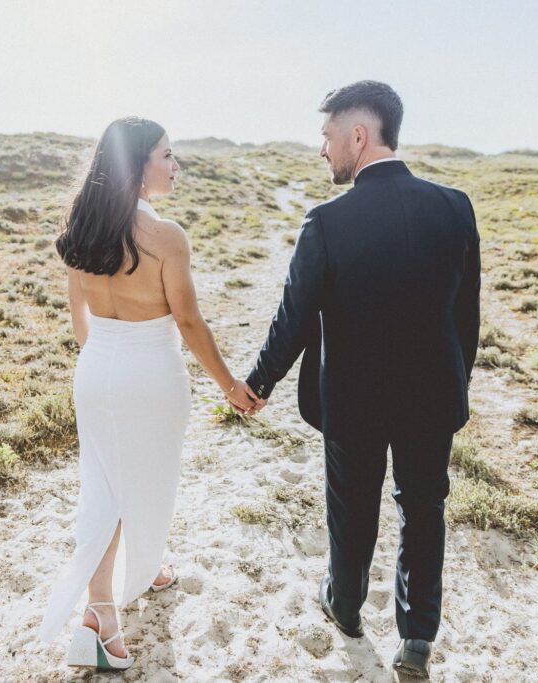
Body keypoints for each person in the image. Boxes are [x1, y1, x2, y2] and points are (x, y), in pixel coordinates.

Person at [244, 81, 480, 679]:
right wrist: (457, 384)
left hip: (352, 403)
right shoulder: (455, 207)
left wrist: (258, 382)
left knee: (352, 511)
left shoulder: (327, 221)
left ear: (358, 135)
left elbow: (293, 316)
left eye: (327, 137)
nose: (322, 150)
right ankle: (417, 640)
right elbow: (466, 316)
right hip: (432, 398)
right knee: (424, 511)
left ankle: (345, 608)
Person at [36, 116, 259, 671]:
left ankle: (126, 584)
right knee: (148, 483)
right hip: (152, 375)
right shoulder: (166, 237)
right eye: (166, 154)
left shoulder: (80, 228)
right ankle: (105, 610)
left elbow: (79, 321)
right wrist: (232, 387)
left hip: (96, 371)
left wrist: (104, 362)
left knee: (104, 485)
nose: (174, 164)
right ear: (138, 167)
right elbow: (188, 321)